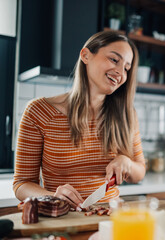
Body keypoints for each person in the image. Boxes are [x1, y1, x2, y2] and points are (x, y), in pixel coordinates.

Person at [13, 30, 146, 209]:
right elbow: (22, 184)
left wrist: (126, 162)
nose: (120, 73)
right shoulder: (39, 112)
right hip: (63, 218)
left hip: (111, 217)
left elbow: (140, 172)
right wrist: (52, 196)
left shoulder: (126, 114)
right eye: (114, 60)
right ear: (85, 55)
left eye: (126, 68)